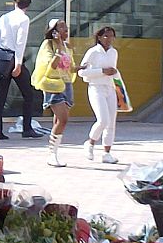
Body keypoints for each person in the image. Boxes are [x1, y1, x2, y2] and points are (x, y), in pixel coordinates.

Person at [0, 0, 42, 140]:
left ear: (14, 3)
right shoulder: (24, 19)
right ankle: (27, 128)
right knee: (28, 94)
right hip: (14, 58)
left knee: (1, 95)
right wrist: (18, 64)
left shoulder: (4, 17)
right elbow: (20, 42)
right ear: (28, 5)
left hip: (2, 56)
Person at [31, 18, 76, 167]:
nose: (66, 31)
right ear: (54, 31)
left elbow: (70, 67)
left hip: (67, 84)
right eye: (62, 28)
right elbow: (50, 66)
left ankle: (54, 152)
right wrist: (57, 51)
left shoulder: (67, 46)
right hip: (53, 85)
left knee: (58, 120)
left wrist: (81, 68)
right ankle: (52, 153)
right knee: (63, 119)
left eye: (66, 28)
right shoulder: (48, 45)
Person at [78, 26, 121, 165]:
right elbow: (81, 72)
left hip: (110, 87)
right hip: (96, 88)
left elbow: (113, 71)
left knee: (111, 122)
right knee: (103, 120)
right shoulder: (93, 52)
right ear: (100, 37)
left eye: (111, 36)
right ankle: (90, 143)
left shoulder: (114, 52)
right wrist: (102, 71)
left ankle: (107, 153)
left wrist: (113, 73)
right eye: (106, 36)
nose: (109, 39)